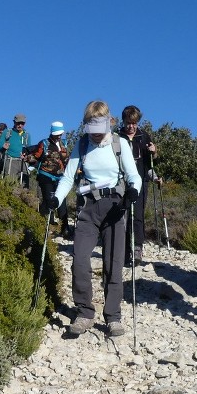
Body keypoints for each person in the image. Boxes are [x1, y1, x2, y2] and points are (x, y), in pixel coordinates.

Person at [53, 101, 141, 337]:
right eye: (91, 126)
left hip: (115, 206)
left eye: (99, 125)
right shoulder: (81, 145)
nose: (96, 132)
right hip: (87, 207)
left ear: (108, 122)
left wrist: (133, 191)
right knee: (79, 260)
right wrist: (56, 199)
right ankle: (84, 313)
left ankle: (113, 317)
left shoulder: (118, 143)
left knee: (113, 263)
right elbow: (68, 177)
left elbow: (134, 176)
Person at [118, 105, 157, 265]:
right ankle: (124, 251)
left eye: (134, 123)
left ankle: (137, 249)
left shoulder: (144, 136)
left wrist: (154, 152)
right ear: (124, 121)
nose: (131, 126)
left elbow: (151, 163)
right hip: (121, 182)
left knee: (138, 215)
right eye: (128, 122)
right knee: (123, 216)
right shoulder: (117, 136)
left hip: (141, 181)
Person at [25, 121, 71, 237]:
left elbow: (68, 159)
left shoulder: (64, 144)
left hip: (61, 177)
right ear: (52, 133)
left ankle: (64, 228)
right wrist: (26, 158)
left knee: (62, 201)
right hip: (46, 175)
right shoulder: (44, 144)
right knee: (48, 200)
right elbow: (35, 156)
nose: (59, 136)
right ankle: (47, 227)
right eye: (57, 134)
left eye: (60, 133)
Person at [0, 114, 30, 186]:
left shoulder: (27, 135)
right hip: (10, 161)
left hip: (23, 163)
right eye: (18, 123)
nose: (20, 125)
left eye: (22, 123)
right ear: (14, 122)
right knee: (9, 185)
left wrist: (26, 156)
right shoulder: (7, 132)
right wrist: (3, 147)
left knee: (25, 187)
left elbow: (29, 150)